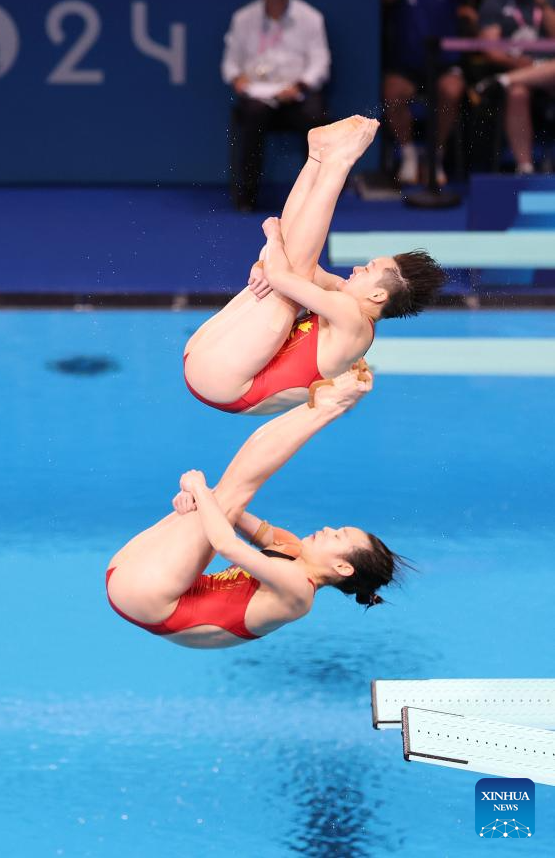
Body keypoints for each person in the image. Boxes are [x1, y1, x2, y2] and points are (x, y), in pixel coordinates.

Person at [106, 369, 408, 649]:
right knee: (231, 492)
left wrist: (199, 488)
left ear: (342, 568)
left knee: (236, 489)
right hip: (137, 579)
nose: (329, 529)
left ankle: (328, 407)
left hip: (150, 599)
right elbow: (229, 510)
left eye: (338, 536)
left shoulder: (299, 593)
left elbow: (226, 544)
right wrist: (198, 500)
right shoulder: (290, 547)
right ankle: (323, 406)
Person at [183, 116, 445, 416]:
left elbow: (283, 275)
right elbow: (298, 266)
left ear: (377, 296)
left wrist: (273, 236)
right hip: (209, 361)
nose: (358, 269)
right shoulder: (346, 301)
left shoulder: (353, 320)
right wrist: (265, 259)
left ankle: (337, 163)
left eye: (368, 270)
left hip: (224, 383)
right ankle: (318, 156)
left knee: (287, 287)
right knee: (292, 271)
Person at [221, 0, 330, 211]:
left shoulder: (310, 18)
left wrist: (299, 86)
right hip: (257, 96)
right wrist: (237, 79)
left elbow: (320, 63)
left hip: (295, 97)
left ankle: (314, 198)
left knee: (316, 118)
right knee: (252, 114)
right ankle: (246, 197)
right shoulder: (242, 19)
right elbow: (229, 64)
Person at [382, 0, 472, 186]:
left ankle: (436, 154)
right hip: (408, 64)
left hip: (445, 63)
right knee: (393, 93)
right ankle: (409, 154)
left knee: (452, 91)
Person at [473, 0, 555, 173]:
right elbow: (490, 48)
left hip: (550, 72)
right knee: (518, 92)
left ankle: (501, 82)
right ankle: (525, 166)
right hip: (517, 67)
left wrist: (542, 1)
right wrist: (516, 63)